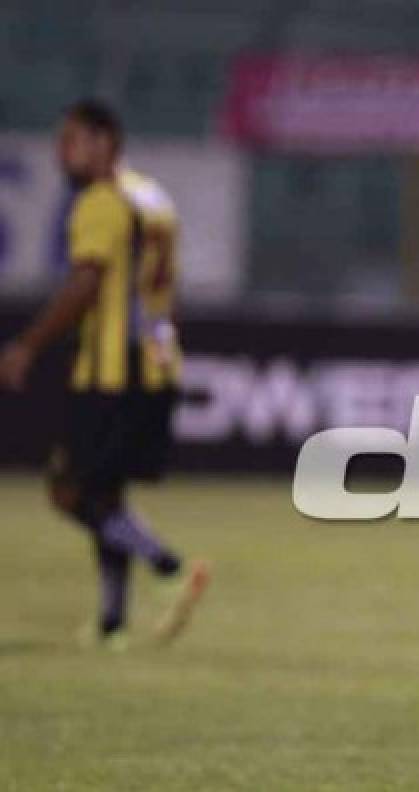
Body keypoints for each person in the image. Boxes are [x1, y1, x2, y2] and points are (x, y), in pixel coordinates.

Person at [0, 99, 208, 650]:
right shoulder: (153, 197)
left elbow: (86, 283)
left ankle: (167, 567)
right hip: (156, 364)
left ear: (103, 142)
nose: (60, 152)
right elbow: (165, 287)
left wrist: (27, 345)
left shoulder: (100, 199)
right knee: (104, 496)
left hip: (110, 372)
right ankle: (112, 623)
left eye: (71, 140)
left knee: (66, 489)